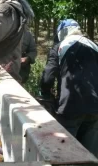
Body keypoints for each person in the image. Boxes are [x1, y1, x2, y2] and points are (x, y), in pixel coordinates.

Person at [40, 19, 98, 157]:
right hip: (95, 108)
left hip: (70, 107)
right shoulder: (94, 46)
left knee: (65, 154)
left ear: (62, 33)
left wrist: (46, 95)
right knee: (90, 156)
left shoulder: (60, 47)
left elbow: (48, 77)